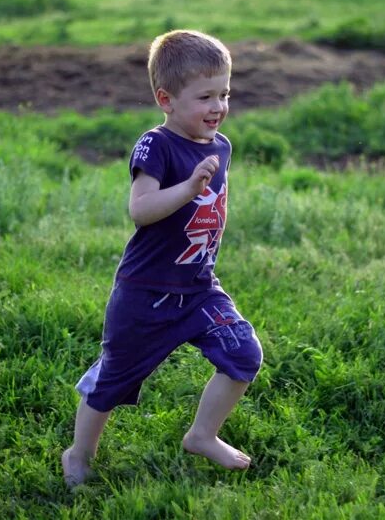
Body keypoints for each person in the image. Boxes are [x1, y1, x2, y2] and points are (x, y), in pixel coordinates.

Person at [62, 29, 263, 487]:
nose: (218, 107)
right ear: (165, 99)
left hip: (198, 288)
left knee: (244, 353)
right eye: (205, 97)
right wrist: (189, 187)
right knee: (113, 380)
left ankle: (202, 435)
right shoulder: (155, 146)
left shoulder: (221, 146)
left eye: (225, 94)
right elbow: (141, 210)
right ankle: (78, 455)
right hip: (145, 292)